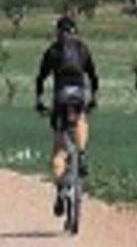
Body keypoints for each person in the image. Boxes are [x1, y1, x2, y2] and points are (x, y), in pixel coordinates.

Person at [35, 15, 99, 216]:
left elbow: (41, 78)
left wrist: (38, 100)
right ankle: (81, 153)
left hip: (60, 97)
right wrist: (94, 98)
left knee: (58, 149)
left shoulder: (53, 50)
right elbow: (93, 76)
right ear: (75, 31)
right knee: (81, 120)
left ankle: (61, 189)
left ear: (58, 31)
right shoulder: (82, 48)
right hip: (79, 95)